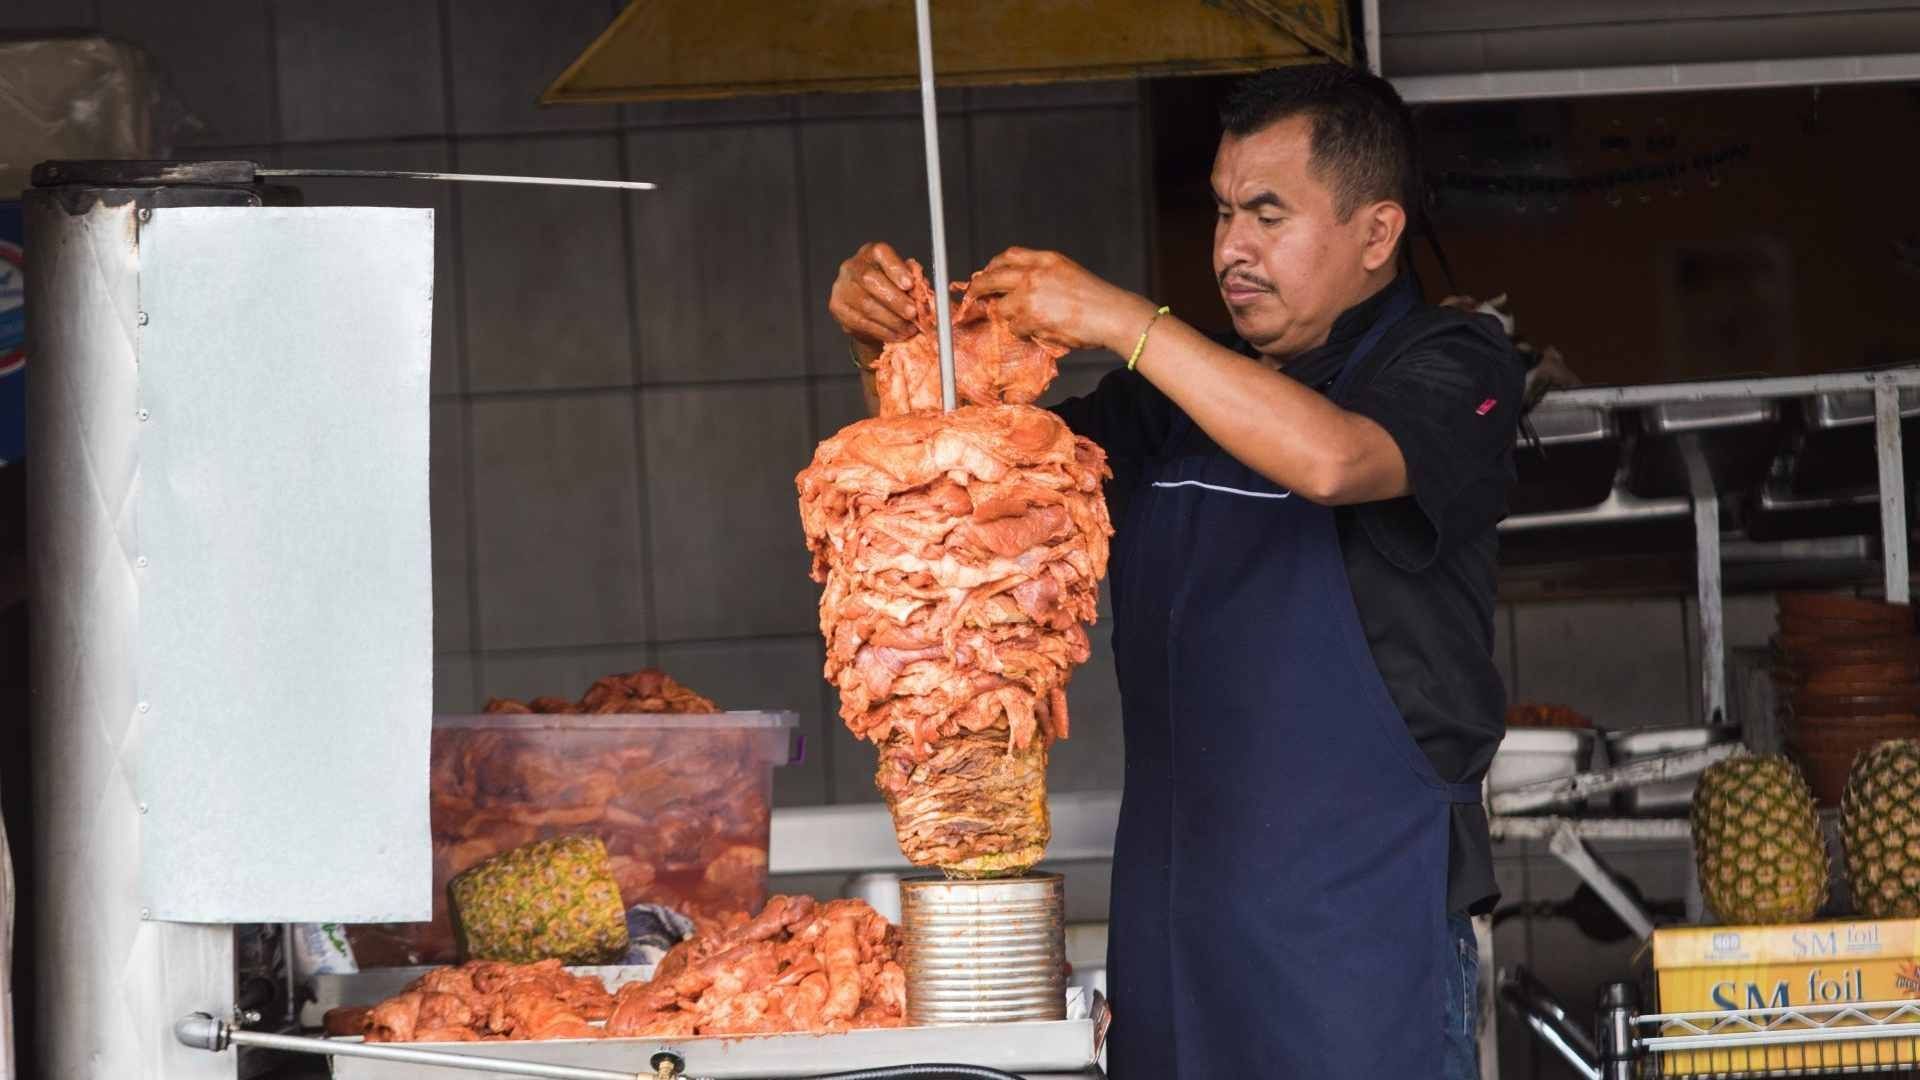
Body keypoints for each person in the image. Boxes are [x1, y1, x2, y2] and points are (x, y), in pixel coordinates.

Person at [828, 63, 1524, 1079]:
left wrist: (1124, 321)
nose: (1232, 247)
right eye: (1224, 211)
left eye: (1268, 214)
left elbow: (1335, 460)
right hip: (1172, 945)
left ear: (1376, 234)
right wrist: (880, 349)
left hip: (1359, 951)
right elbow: (967, 501)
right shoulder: (1161, 409)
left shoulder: (1452, 362)